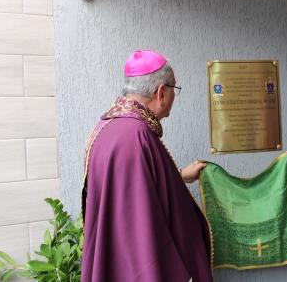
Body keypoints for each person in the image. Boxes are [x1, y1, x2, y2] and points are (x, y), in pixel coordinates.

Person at [81, 50, 212, 282]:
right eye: (174, 90)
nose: (174, 97)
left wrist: (179, 175)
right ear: (161, 92)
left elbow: (133, 188)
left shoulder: (107, 127)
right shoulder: (135, 136)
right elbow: (141, 228)